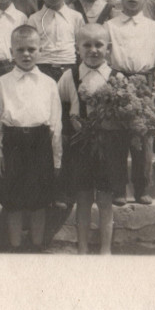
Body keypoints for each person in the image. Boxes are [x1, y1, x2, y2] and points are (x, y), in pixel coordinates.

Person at [58, 24, 128, 255]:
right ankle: (83, 248)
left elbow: (125, 115)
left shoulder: (117, 78)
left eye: (99, 45)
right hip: (80, 146)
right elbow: (60, 107)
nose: (93, 50)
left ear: (108, 48)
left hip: (108, 146)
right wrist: (71, 122)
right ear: (77, 48)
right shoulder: (70, 76)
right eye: (86, 45)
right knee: (83, 197)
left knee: (105, 200)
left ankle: (105, 250)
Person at [0, 25, 62, 253]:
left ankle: (36, 246)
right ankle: (15, 247)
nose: (26, 54)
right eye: (20, 49)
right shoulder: (2, 82)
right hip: (12, 142)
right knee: (12, 201)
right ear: (11, 52)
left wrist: (56, 158)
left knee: (38, 201)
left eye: (31, 49)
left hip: (39, 142)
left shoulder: (49, 83)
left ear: (40, 50)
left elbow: (55, 123)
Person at [105, 0, 155, 206]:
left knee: (143, 138)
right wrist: (112, 85)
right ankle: (118, 188)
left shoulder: (153, 27)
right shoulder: (110, 26)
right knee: (117, 139)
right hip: (117, 84)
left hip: (144, 84)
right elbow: (105, 58)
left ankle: (142, 188)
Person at [26, 0, 85, 82]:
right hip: (43, 69)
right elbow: (31, 49)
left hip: (70, 68)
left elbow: (81, 47)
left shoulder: (76, 17)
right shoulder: (34, 19)